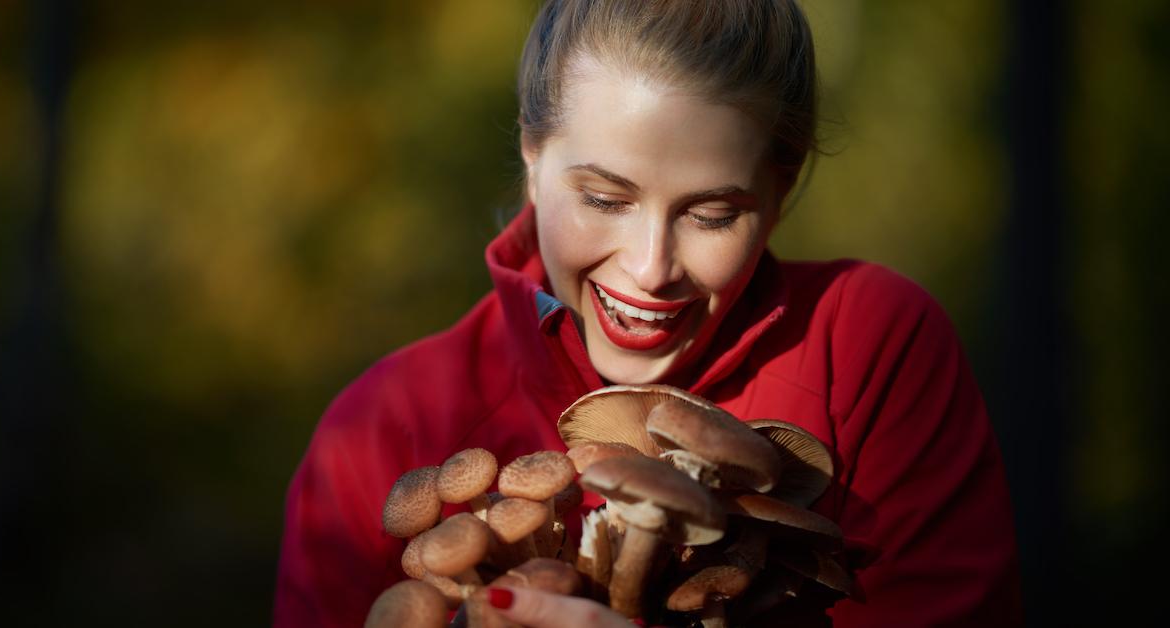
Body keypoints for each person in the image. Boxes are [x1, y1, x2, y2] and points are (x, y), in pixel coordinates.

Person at [272, 1, 1024, 626]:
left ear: (778, 191)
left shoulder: (864, 345)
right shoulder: (380, 429)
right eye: (604, 199)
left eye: (714, 213)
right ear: (534, 157)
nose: (651, 268)